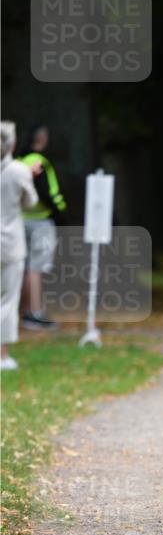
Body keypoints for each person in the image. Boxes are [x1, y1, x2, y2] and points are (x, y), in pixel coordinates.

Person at [17, 124, 66, 331]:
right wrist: (60, 210)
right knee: (36, 269)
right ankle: (34, 314)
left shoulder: (18, 163)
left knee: (24, 267)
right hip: (41, 221)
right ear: (42, 138)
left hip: (21, 221)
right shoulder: (39, 163)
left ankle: (25, 312)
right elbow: (47, 192)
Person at [1, 121, 38, 370]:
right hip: (10, 243)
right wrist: (29, 175)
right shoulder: (18, 170)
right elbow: (30, 202)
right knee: (7, 299)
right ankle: (2, 355)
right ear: (12, 144)